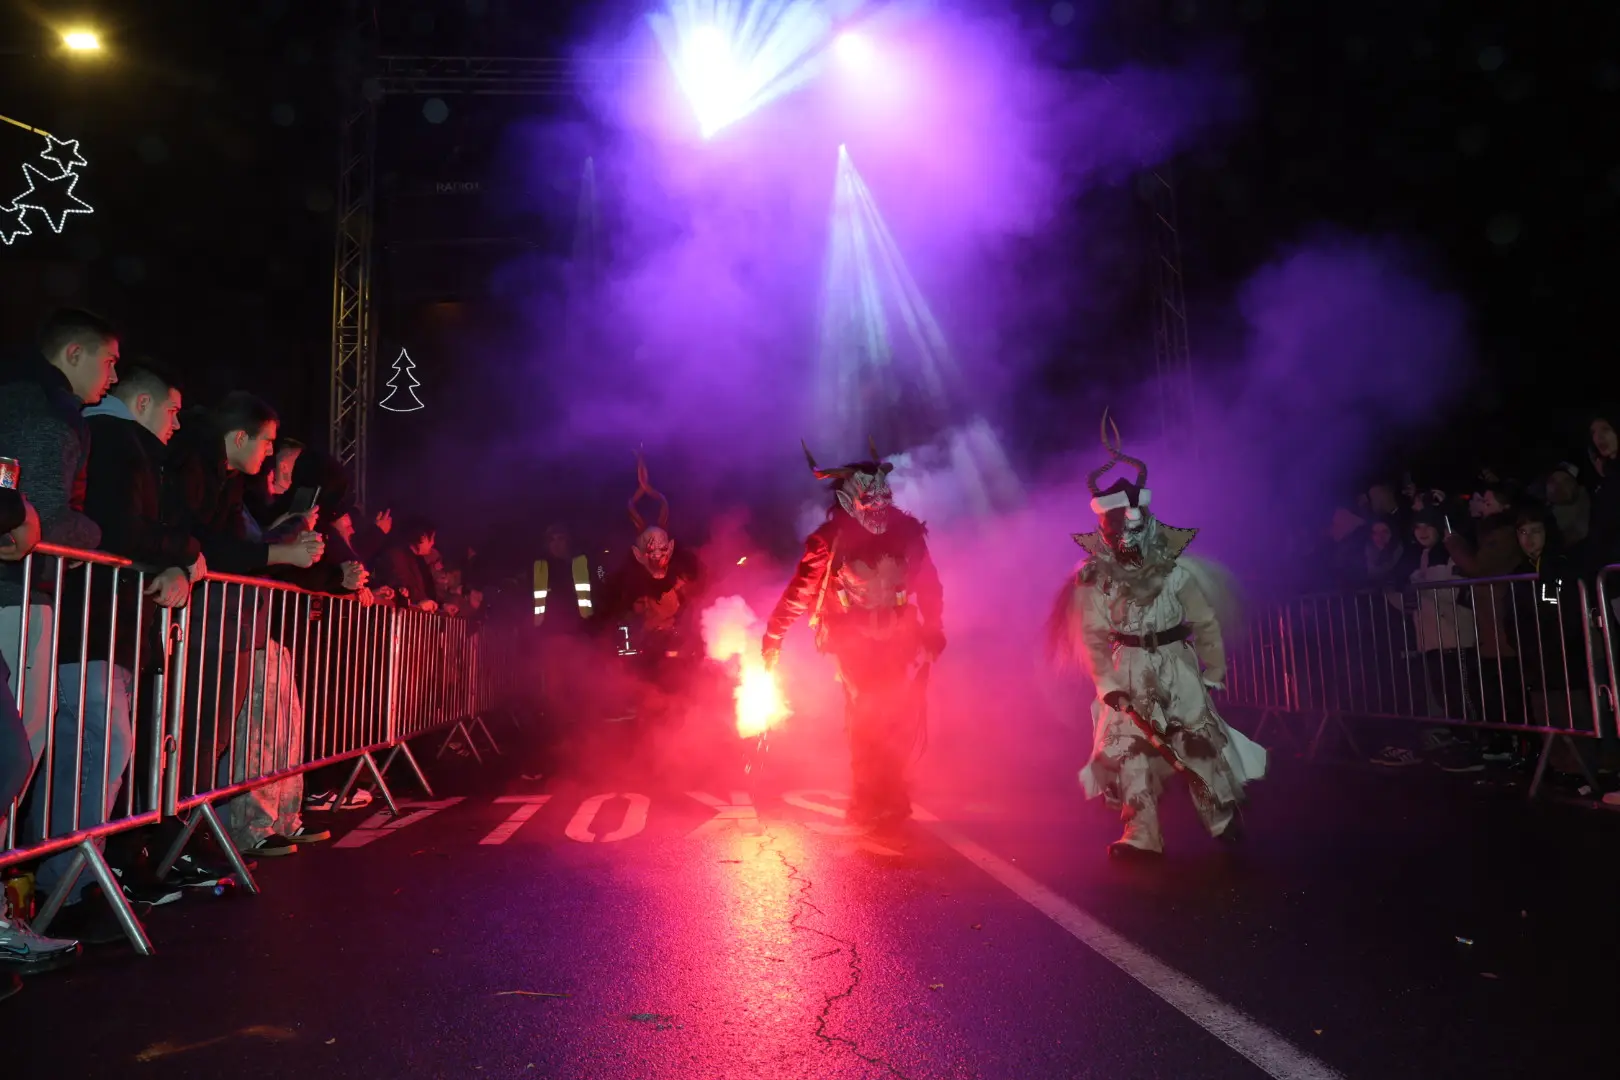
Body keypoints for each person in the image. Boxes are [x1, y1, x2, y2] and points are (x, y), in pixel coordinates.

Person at [1049, 414, 1264, 859]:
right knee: (1129, 750)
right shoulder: (1095, 578)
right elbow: (1091, 636)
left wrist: (1214, 671)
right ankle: (1141, 834)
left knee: (1196, 741)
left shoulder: (1177, 570)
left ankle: (1222, 819)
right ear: (1105, 530)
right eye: (1117, 528)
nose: (1127, 535)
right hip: (1128, 666)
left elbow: (1204, 622)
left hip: (1176, 662)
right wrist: (1107, 685)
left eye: (1134, 525)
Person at [762, 439, 945, 829]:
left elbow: (929, 585)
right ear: (849, 501)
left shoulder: (908, 534)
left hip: (898, 638)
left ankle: (891, 791)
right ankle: (867, 793)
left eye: (884, 496)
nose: (879, 505)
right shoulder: (829, 542)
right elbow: (800, 593)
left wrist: (933, 629)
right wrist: (773, 637)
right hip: (852, 642)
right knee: (866, 712)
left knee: (895, 712)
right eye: (869, 498)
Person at [598, 453, 706, 733]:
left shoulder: (681, 570)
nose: (657, 556)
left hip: (673, 638)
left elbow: (693, 599)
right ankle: (649, 718)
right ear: (639, 553)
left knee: (674, 676)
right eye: (650, 551)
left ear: (669, 548)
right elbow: (623, 604)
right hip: (647, 637)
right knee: (647, 676)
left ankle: (677, 718)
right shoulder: (632, 574)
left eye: (662, 549)